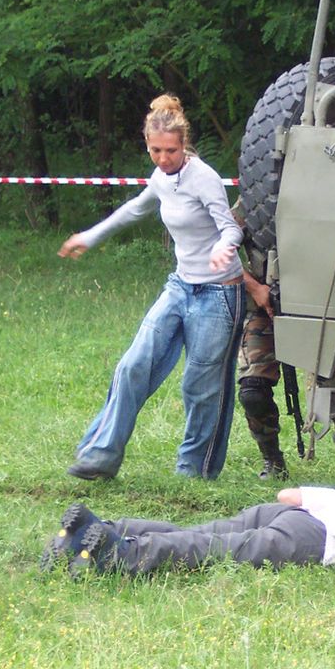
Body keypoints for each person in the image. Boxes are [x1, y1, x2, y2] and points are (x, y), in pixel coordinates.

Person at [58, 94, 245, 481]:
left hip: (219, 292)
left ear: (184, 145)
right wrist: (90, 237)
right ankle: (100, 456)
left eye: (171, 151)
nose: (163, 158)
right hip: (180, 286)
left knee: (200, 386)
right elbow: (135, 208)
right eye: (156, 150)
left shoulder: (204, 177)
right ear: (148, 145)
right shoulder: (161, 178)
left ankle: (194, 472)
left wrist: (223, 248)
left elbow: (231, 227)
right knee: (133, 365)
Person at [40, 467, 335, 576]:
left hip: (288, 512)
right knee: (213, 550)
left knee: (201, 533)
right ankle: (121, 555)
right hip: (316, 536)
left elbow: (288, 496)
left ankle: (101, 530)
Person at [231, 198, 288, 480]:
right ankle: (273, 460)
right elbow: (219, 247)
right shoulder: (258, 193)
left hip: (327, 310)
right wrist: (254, 287)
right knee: (252, 391)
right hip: (265, 306)